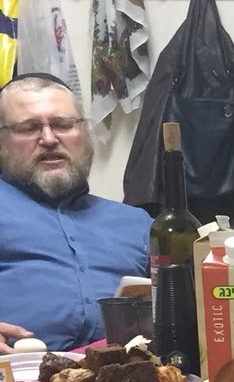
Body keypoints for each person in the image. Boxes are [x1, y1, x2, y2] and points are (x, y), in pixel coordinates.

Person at [0, 72, 150, 352]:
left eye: (63, 125)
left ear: (84, 132)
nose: (48, 139)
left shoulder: (138, 224)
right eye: (28, 128)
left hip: (124, 373)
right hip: (12, 375)